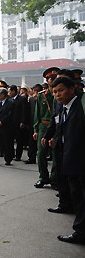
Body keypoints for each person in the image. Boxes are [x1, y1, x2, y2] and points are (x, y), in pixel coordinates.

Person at [42, 76, 85, 245]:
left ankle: (80, 232)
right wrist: (52, 137)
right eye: (54, 92)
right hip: (68, 156)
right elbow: (57, 124)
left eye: (60, 90)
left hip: (80, 158)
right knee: (76, 194)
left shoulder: (80, 106)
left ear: (72, 89)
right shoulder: (62, 107)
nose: (57, 95)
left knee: (81, 195)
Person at [33, 67, 59, 188]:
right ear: (47, 80)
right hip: (44, 126)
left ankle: (54, 178)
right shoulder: (41, 96)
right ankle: (43, 177)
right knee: (41, 153)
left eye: (55, 78)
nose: (52, 80)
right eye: (50, 78)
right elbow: (37, 114)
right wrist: (36, 129)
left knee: (56, 154)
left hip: (57, 126)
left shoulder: (60, 93)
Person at [9, 84, 28, 161]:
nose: (8, 93)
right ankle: (11, 154)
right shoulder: (9, 99)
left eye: (9, 91)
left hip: (18, 122)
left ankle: (18, 155)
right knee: (10, 139)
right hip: (10, 123)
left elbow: (24, 111)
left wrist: (23, 122)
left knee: (19, 140)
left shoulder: (22, 99)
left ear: (13, 91)